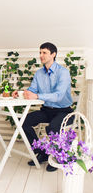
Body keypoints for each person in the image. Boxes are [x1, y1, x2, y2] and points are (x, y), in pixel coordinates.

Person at [12, 42, 73, 172]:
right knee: (23, 122)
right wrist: (22, 93)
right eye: (40, 52)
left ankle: (57, 157)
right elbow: (32, 90)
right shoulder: (39, 74)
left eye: (44, 52)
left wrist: (37, 96)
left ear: (53, 54)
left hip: (64, 111)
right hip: (46, 110)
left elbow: (58, 96)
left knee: (52, 127)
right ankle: (43, 153)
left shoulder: (63, 73)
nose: (41, 55)